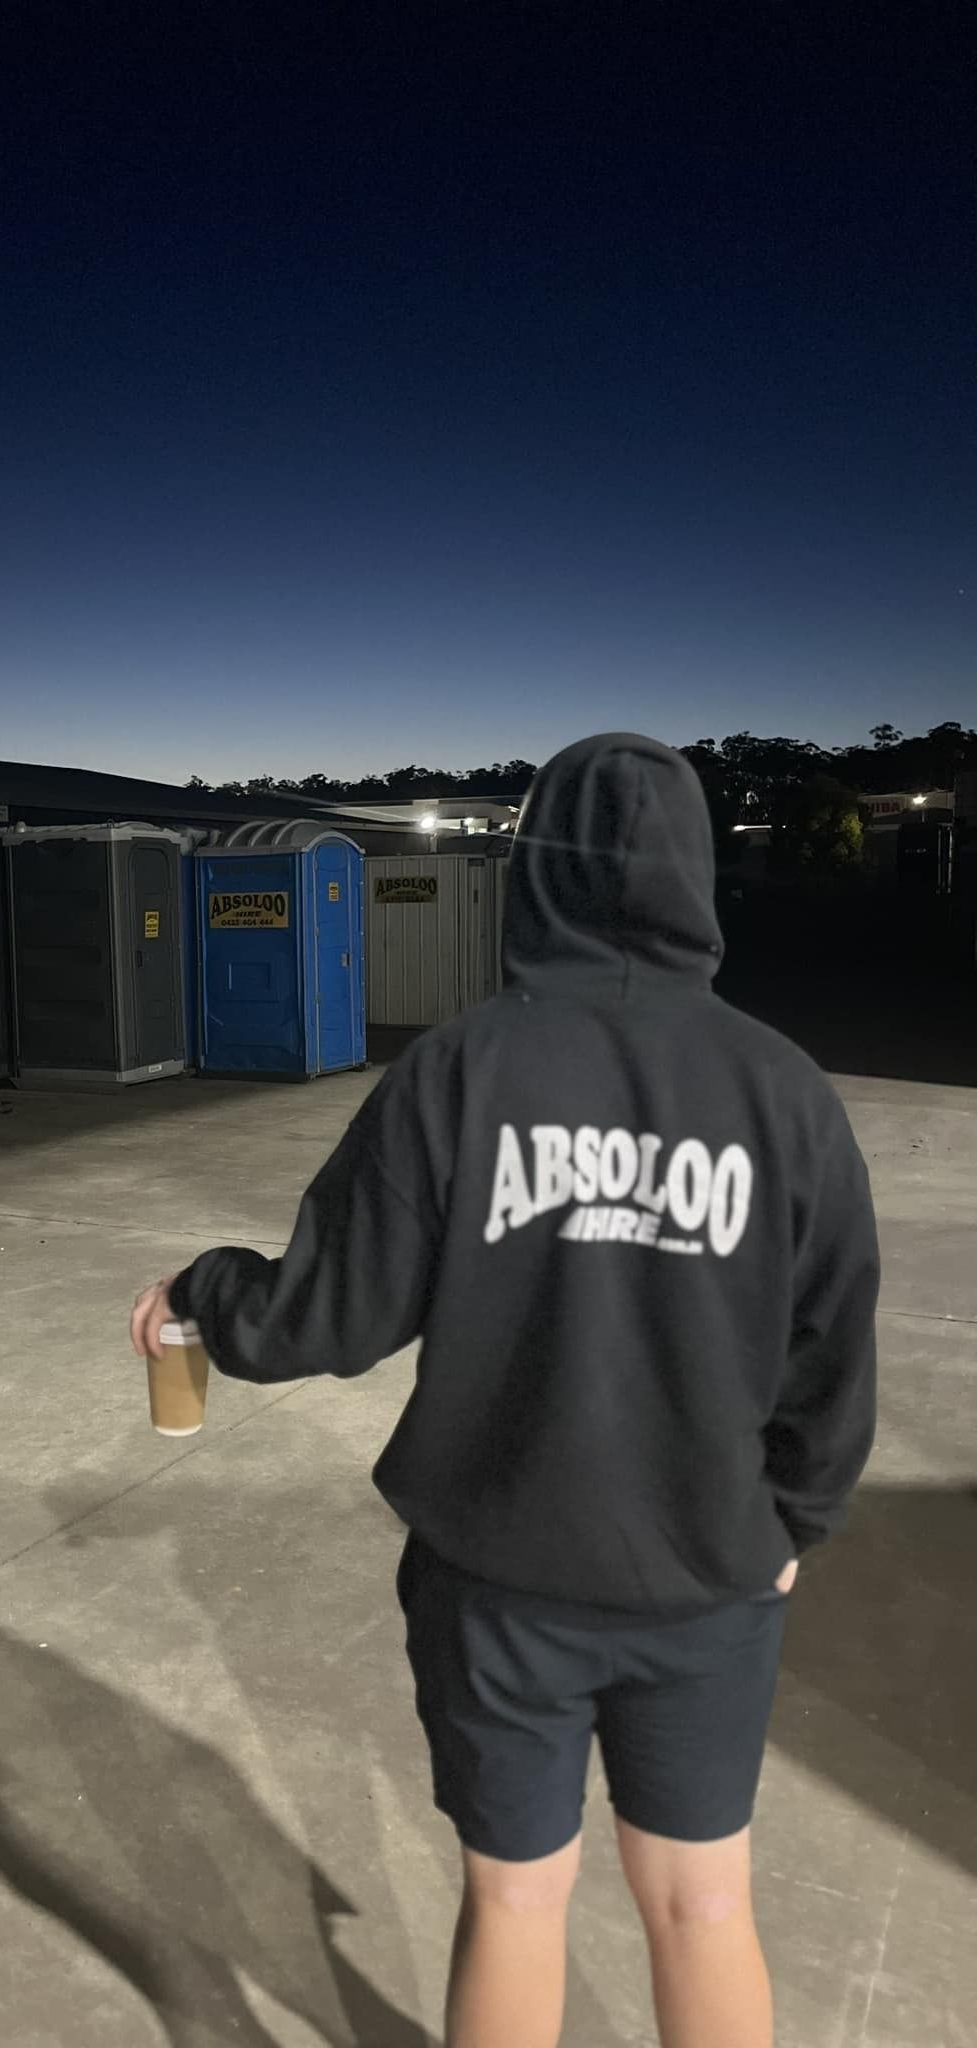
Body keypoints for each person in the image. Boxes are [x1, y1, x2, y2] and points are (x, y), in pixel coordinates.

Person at [132, 732, 879, 2048]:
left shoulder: (463, 1069)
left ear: (534, 871)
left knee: (517, 1901)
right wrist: (793, 1525)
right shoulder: (784, 1092)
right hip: (708, 1575)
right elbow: (834, 1353)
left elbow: (329, 1313)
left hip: (501, 1579)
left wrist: (205, 1290)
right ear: (695, 874)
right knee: (704, 1903)